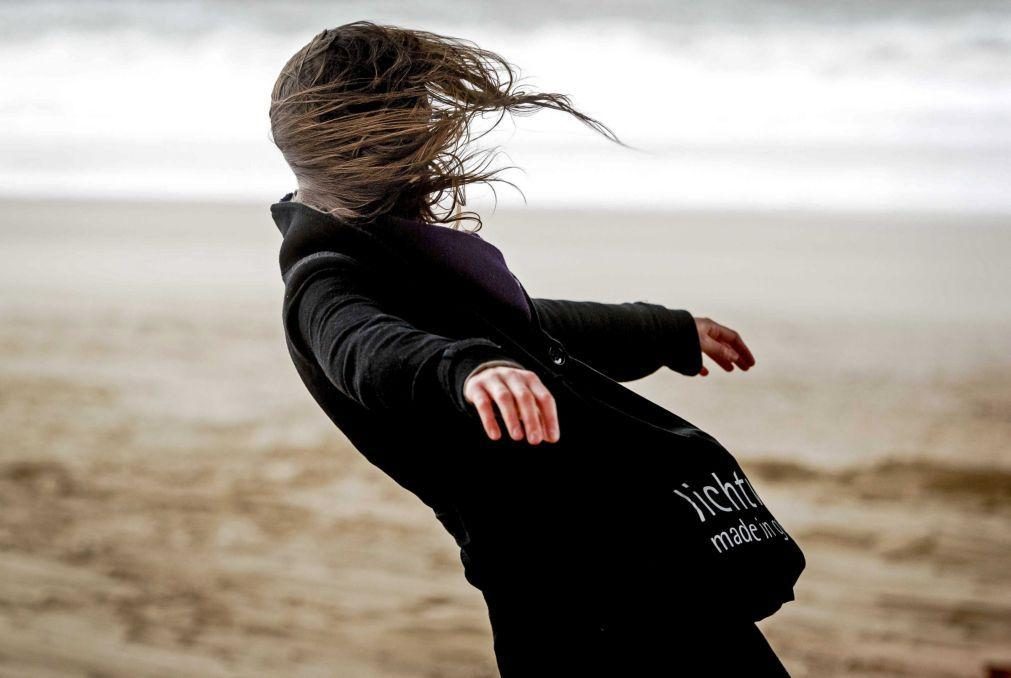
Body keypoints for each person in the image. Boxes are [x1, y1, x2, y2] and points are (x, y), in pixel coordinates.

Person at [269, 21, 801, 676]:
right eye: (413, 125)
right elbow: (369, 352)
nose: (430, 145)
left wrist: (664, 331)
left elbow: (532, 327)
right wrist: (466, 369)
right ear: (366, 147)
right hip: (562, 599)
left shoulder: (393, 254)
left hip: (637, 560)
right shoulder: (324, 283)